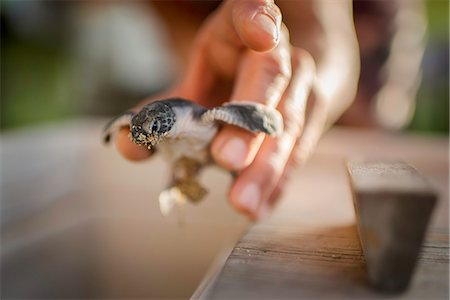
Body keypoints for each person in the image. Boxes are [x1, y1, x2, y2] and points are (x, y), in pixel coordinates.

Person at [114, 0, 360, 219]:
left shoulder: (202, 117)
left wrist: (301, 98)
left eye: (153, 129)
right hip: (205, 54)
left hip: (353, 62)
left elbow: (329, 40)